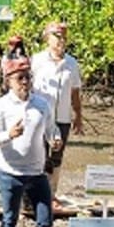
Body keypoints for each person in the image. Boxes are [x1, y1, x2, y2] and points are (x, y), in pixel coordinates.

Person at [0, 57, 60, 227]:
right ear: (8, 81)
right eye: (20, 78)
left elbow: (51, 128)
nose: (25, 82)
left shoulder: (42, 104)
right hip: (10, 172)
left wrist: (55, 139)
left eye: (28, 77)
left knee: (45, 218)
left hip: (37, 172)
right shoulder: (1, 106)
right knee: (10, 218)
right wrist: (9, 135)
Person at [30, 22, 83, 207]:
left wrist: (78, 115)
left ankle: (51, 194)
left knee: (57, 156)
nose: (61, 41)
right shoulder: (36, 60)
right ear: (47, 38)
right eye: (57, 36)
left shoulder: (71, 63)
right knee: (39, 154)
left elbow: (75, 91)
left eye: (64, 37)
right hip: (40, 116)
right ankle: (36, 195)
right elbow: (27, 87)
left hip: (62, 117)